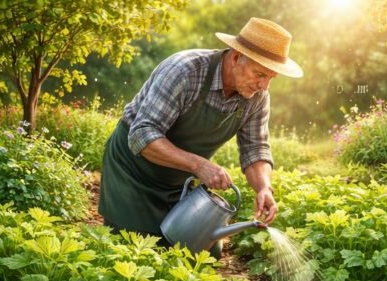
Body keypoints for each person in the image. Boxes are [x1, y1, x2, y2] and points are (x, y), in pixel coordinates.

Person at [99, 17, 302, 250]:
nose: (264, 86)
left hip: (179, 182)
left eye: (270, 78)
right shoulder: (185, 71)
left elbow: (255, 149)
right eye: (259, 74)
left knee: (202, 251)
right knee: (136, 249)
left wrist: (263, 187)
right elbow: (142, 135)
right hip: (133, 173)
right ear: (236, 58)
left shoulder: (257, 97)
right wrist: (199, 166)